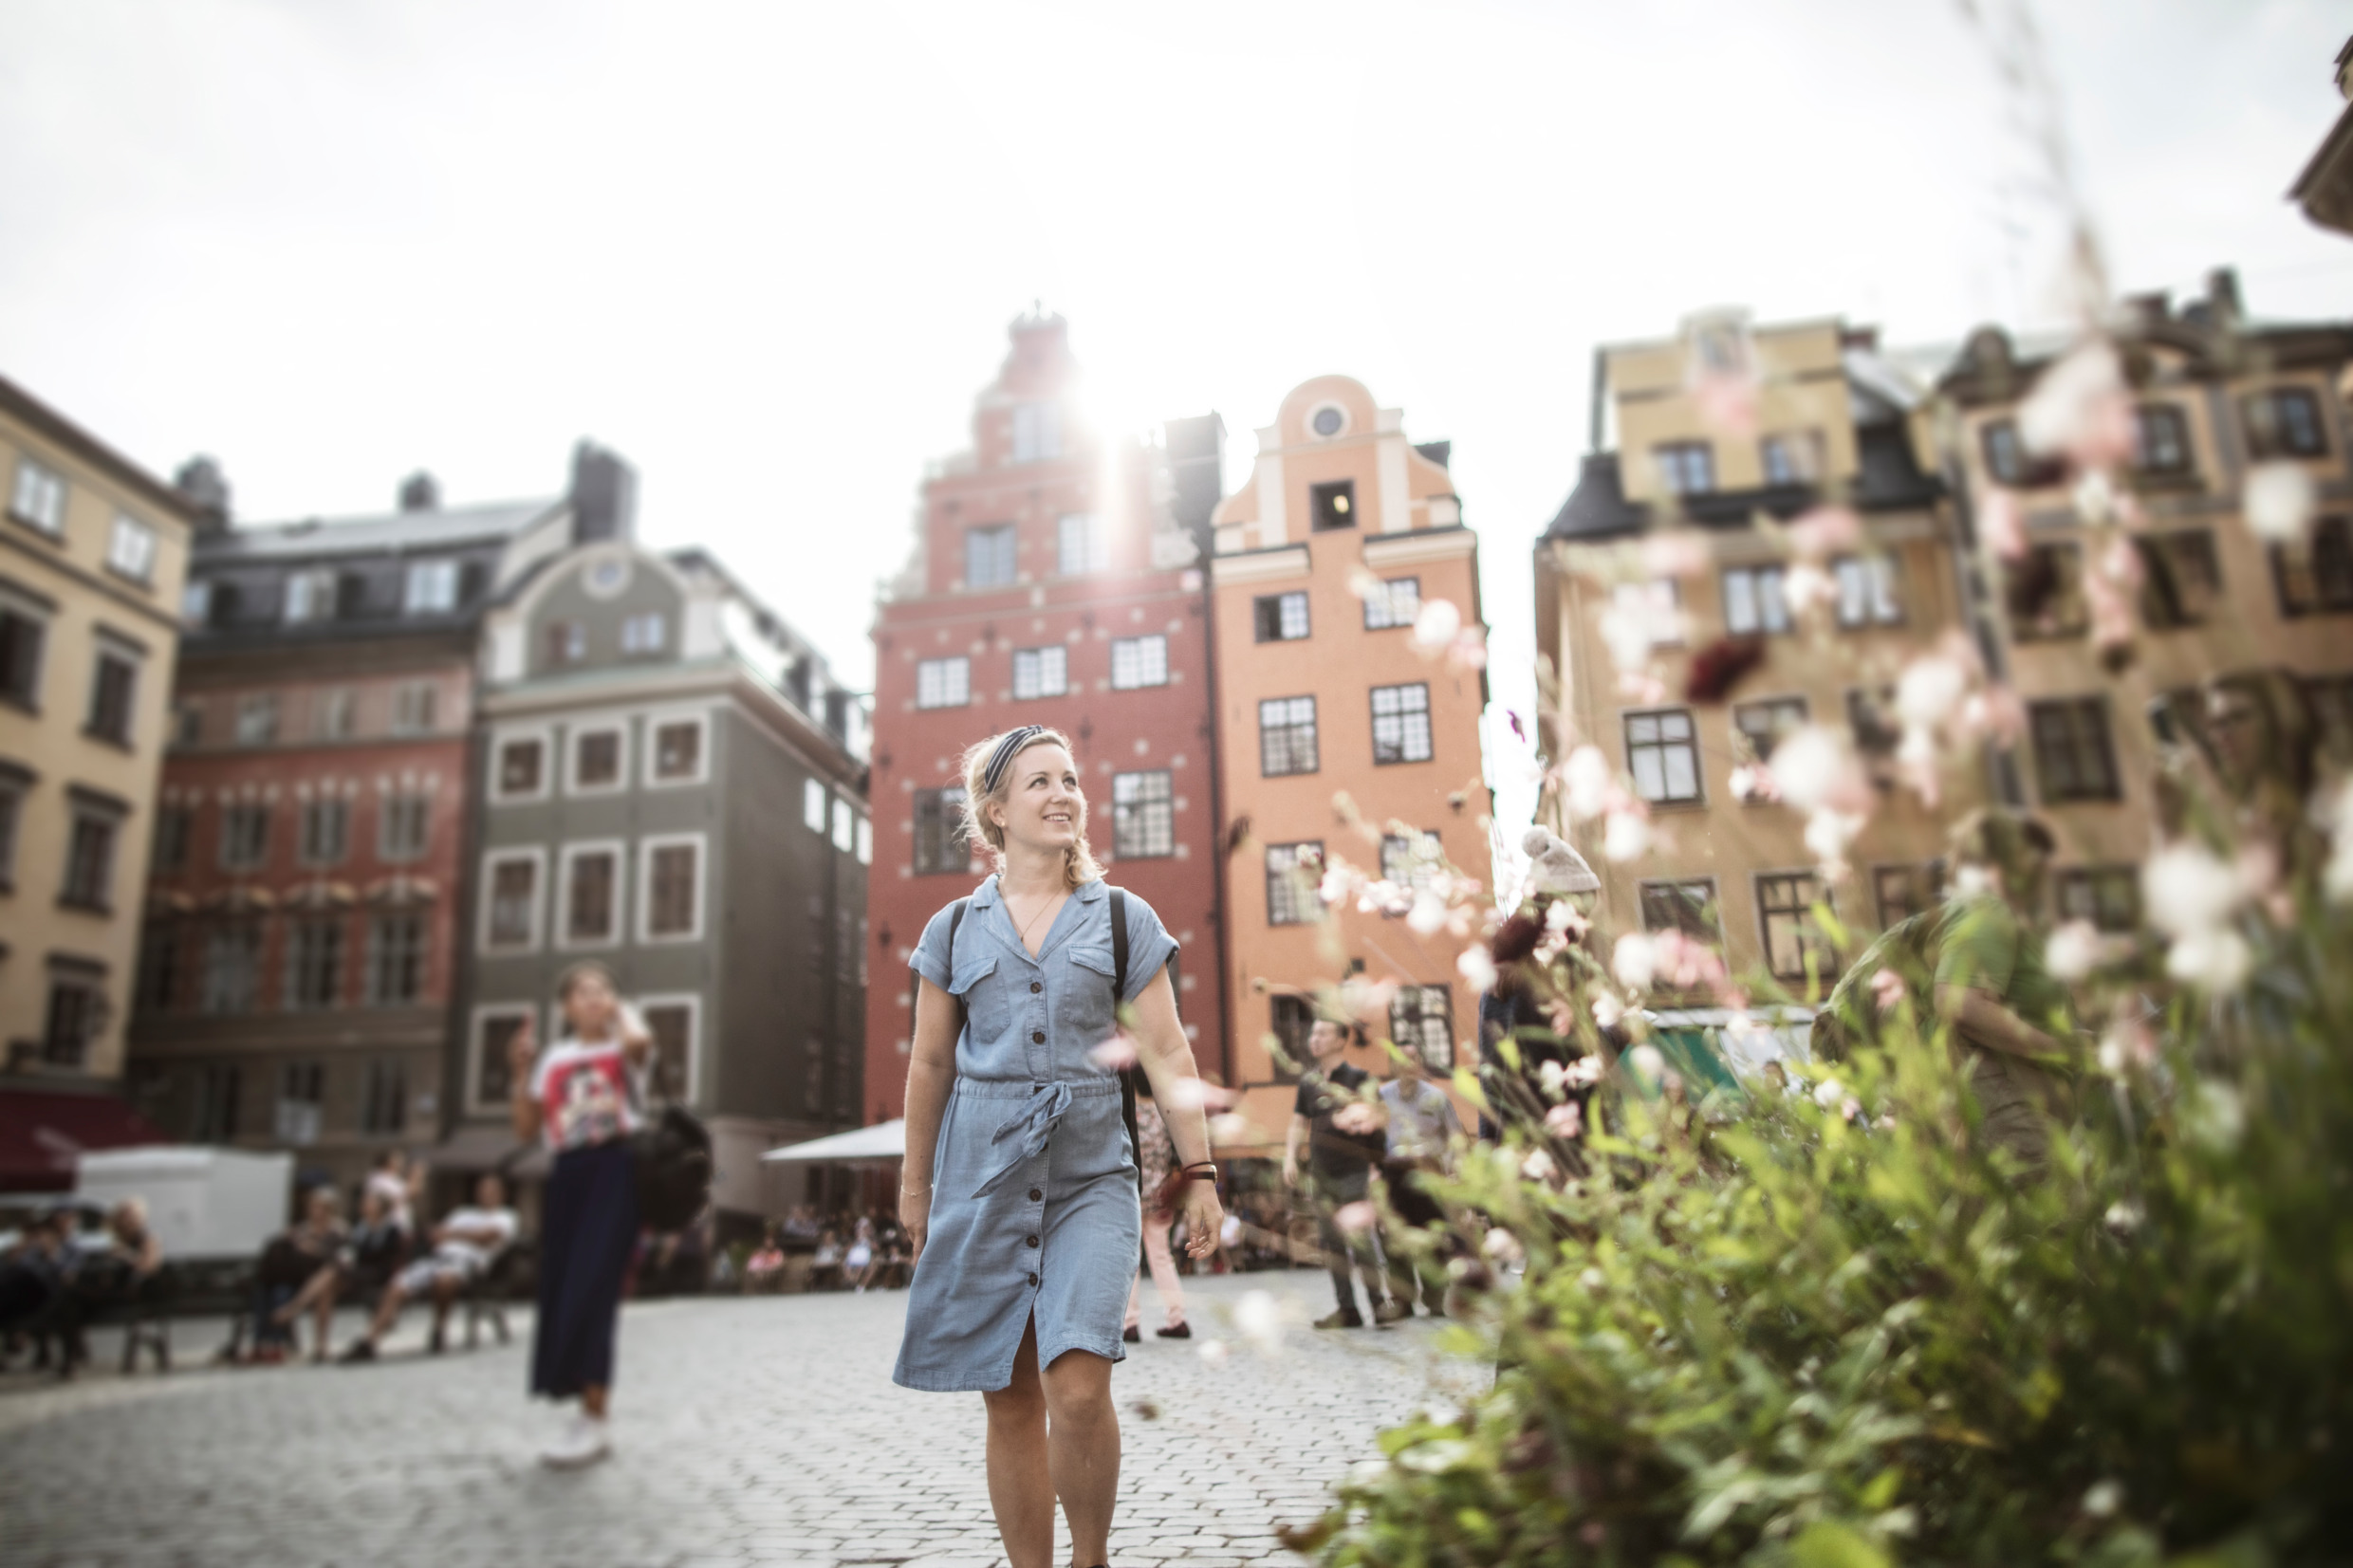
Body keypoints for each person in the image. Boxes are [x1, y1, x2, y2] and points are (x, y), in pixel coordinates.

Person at [895, 725, 1225, 1568]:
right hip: (983, 1173)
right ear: (996, 811)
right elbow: (931, 1061)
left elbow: (1168, 1052)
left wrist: (1201, 1170)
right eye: (1038, 781)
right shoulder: (953, 929)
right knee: (1008, 1395)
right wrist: (914, 1184)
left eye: (1070, 777)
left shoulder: (1121, 916)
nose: (1062, 793)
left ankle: (1091, 1558)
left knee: (1076, 1386)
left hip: (1090, 1173)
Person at [506, 962, 650, 1468]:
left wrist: (620, 1012)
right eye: (584, 992)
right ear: (565, 1006)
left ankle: (595, 1419)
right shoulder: (555, 1058)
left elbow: (639, 1046)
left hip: (615, 1169)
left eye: (603, 990)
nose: (594, 998)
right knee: (563, 1287)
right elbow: (526, 1129)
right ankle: (582, 1408)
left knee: (594, 1287)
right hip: (567, 1174)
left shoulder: (620, 1047)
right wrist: (520, 1071)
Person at [1933, 809, 2079, 1177]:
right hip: (2013, 1126)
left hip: (2022, 1119)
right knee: (2042, 1230)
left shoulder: (2004, 919)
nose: (2046, 868)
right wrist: (2065, 1049)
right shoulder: (1990, 911)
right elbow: (1959, 1003)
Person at [1285, 1018, 1397, 1328]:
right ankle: (1348, 1310)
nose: (1314, 1038)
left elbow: (1378, 1123)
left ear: (1340, 1040)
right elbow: (1297, 1122)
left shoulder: (1359, 1078)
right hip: (1321, 1175)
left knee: (1360, 1240)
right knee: (1332, 1244)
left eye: (1322, 1033)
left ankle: (1379, 1305)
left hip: (1354, 1172)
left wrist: (1377, 1165)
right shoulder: (1309, 1082)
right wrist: (1289, 1158)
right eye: (1313, 1032)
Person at [340, 1173, 517, 1364]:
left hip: (467, 1264)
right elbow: (436, 1235)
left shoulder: (505, 1216)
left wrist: (451, 1234)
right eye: (482, 1189)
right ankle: (369, 1341)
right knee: (398, 1284)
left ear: (501, 1193)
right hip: (437, 1259)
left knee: (445, 1279)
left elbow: (488, 1237)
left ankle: (438, 1329)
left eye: (490, 1189)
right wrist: (455, 1235)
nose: (484, 1193)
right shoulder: (462, 1212)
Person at [275, 1184, 409, 1360]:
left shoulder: (390, 1230)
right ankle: (321, 1346)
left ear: (380, 1207)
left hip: (377, 1276)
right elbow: (351, 1252)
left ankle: (296, 1307)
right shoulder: (361, 1228)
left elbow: (385, 1260)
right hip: (357, 1274)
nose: (365, 1205)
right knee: (326, 1287)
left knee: (331, 1271)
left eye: (370, 1202)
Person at [1375, 1058, 1465, 1318]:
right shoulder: (1382, 1096)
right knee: (1395, 1233)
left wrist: (1453, 1170)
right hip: (1394, 1172)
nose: (1407, 1066)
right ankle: (1402, 1300)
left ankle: (1435, 1297)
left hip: (1429, 1170)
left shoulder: (1436, 1097)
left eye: (1413, 1059)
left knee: (1434, 1235)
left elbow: (1455, 1135)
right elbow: (1373, 1137)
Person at [1121, 1078, 1189, 1342]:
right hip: (1160, 1197)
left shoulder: (1130, 1111)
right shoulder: (1164, 1112)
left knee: (1131, 1259)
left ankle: (1129, 1323)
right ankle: (1177, 1318)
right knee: (1162, 1258)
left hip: (1133, 1192)